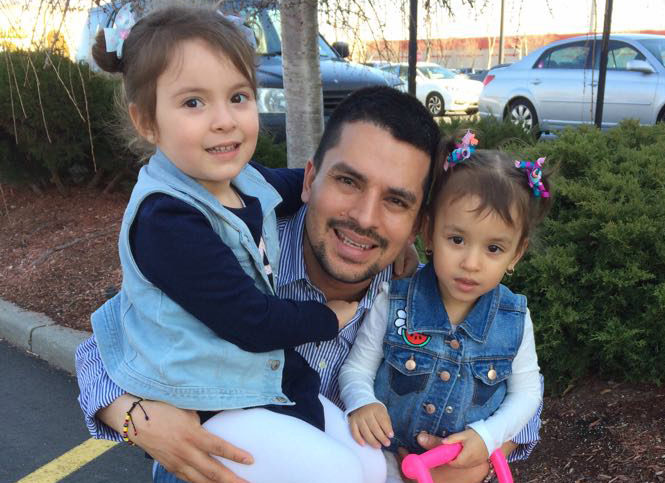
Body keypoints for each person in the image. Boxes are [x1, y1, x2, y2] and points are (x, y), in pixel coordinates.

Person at [76, 85, 543, 482]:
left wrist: (476, 460)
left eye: (395, 202)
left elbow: (513, 394)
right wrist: (138, 419)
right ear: (310, 178)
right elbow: (109, 341)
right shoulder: (242, 247)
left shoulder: (416, 298)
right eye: (348, 181)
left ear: (419, 222)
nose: (363, 218)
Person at [84, 4, 385, 481]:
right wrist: (331, 316)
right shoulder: (167, 221)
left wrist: (357, 189)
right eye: (194, 103)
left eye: (239, 97)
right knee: (340, 474)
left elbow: (308, 185)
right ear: (146, 121)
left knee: (372, 465)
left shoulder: (241, 182)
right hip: (210, 406)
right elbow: (251, 320)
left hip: (269, 387)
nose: (224, 120)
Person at [339, 135, 551, 482]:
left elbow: (527, 394)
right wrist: (362, 402)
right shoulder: (394, 302)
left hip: (462, 469)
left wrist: (488, 437)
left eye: (494, 248)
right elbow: (356, 369)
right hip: (386, 465)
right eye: (457, 240)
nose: (471, 263)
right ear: (428, 232)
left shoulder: (513, 318)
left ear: (516, 254)